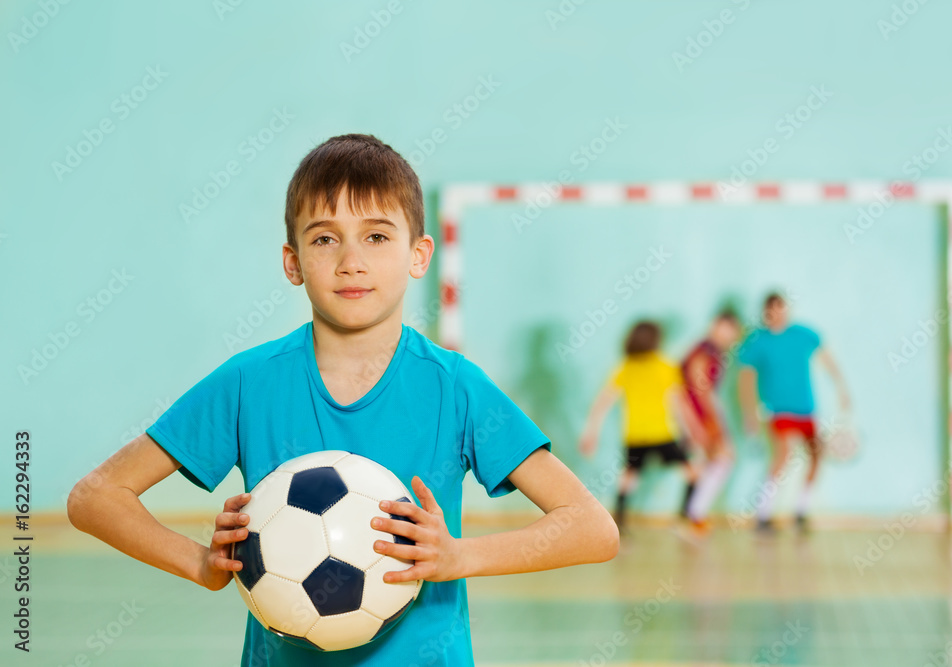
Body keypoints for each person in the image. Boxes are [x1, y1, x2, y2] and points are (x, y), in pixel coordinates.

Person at [66, 134, 619, 666]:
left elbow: (592, 529)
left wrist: (458, 556)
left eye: (377, 236)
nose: (351, 260)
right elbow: (95, 497)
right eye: (325, 238)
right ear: (293, 261)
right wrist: (199, 563)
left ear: (419, 255)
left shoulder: (456, 386)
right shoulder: (247, 382)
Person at [737, 292, 850, 532]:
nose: (777, 315)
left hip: (806, 409)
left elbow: (828, 359)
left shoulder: (803, 334)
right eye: (772, 310)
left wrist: (841, 387)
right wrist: (749, 413)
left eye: (781, 309)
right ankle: (763, 515)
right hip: (777, 410)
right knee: (783, 454)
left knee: (816, 455)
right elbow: (745, 378)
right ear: (765, 313)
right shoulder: (758, 341)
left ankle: (801, 511)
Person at [579, 321, 697, 530]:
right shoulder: (666, 366)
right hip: (662, 434)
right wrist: (693, 432)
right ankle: (684, 517)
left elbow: (602, 403)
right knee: (692, 474)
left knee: (628, 480)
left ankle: (619, 527)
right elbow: (681, 405)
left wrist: (591, 432)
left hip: (635, 436)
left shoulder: (626, 368)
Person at [678, 309, 743, 534]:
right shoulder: (704, 350)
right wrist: (708, 422)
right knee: (721, 459)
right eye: (727, 330)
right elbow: (699, 387)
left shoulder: (714, 352)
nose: (729, 336)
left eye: (733, 332)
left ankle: (690, 516)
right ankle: (693, 516)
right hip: (697, 415)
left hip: (698, 414)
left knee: (702, 464)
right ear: (716, 325)